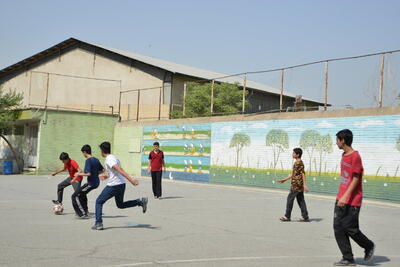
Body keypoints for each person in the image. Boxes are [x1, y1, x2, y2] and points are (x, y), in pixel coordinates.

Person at [333, 129, 374, 266]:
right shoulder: (344, 155)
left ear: (342, 140)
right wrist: (341, 196)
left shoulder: (355, 156)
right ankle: (348, 258)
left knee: (350, 228)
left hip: (352, 199)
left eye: (337, 140)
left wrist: (345, 196)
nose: (336, 142)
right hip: (341, 197)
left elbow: (356, 178)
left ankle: (368, 245)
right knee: (338, 227)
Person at [92, 141, 148, 230]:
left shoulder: (110, 159)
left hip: (114, 185)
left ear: (102, 151)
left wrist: (131, 180)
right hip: (121, 184)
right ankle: (140, 201)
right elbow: (115, 172)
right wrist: (106, 176)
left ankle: (98, 223)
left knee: (99, 201)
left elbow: (119, 169)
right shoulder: (113, 157)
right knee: (120, 204)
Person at [71, 145, 104, 219]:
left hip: (91, 183)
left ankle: (82, 214)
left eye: (83, 153)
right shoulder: (96, 159)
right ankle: (86, 212)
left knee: (75, 195)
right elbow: (102, 170)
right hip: (96, 183)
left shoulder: (88, 160)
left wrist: (78, 173)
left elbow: (88, 174)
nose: (83, 155)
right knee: (82, 194)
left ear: (85, 152)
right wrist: (95, 174)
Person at [278, 148, 309, 222]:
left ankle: (287, 216)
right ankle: (305, 217)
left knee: (290, 199)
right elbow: (294, 174)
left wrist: (304, 184)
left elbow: (303, 174)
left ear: (298, 155)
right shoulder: (298, 162)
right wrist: (285, 179)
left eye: (294, 153)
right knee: (300, 200)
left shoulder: (299, 163)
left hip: (296, 185)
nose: (292, 154)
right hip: (297, 184)